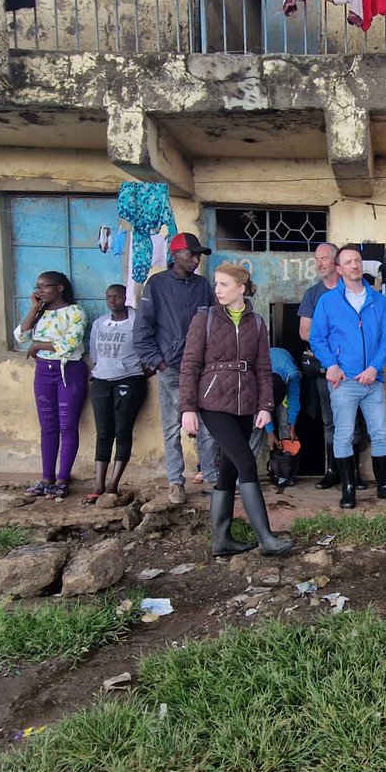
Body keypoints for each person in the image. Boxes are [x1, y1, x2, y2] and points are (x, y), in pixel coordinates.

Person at [179, 262, 293, 557]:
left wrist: (266, 406)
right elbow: (190, 365)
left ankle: (222, 540)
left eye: (224, 285)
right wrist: (188, 408)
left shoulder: (256, 323)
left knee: (229, 471)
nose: (217, 290)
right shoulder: (203, 319)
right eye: (216, 284)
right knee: (245, 463)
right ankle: (266, 537)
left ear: (241, 288)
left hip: (246, 402)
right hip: (212, 401)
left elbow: (264, 368)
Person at [309, 243, 386, 510]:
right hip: (344, 381)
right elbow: (317, 338)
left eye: (358, 261)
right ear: (338, 269)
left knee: (380, 433)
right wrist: (331, 364)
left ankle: (385, 486)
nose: (355, 265)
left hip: (373, 381)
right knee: (343, 435)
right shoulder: (328, 301)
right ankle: (348, 489)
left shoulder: (378, 301)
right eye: (349, 262)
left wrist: (375, 367)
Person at [133, 232, 218, 506]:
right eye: (190, 254)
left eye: (198, 256)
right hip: (170, 368)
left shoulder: (203, 286)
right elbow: (142, 330)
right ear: (175, 255)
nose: (195, 260)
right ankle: (176, 482)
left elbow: (215, 325)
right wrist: (159, 362)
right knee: (173, 427)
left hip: (202, 368)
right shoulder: (156, 285)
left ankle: (211, 476)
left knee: (207, 425)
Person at [14, 270, 88, 500]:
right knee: (48, 427)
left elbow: (71, 344)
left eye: (45, 286)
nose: (40, 291)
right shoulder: (41, 313)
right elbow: (20, 337)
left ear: (60, 287)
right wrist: (34, 309)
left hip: (69, 372)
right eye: (37, 287)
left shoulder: (75, 312)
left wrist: (38, 346)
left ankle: (62, 479)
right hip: (44, 372)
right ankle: (46, 478)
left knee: (67, 426)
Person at [86, 283, 148, 503]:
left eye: (117, 297)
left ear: (126, 298)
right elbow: (93, 351)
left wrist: (139, 371)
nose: (112, 301)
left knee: (122, 430)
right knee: (103, 432)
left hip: (129, 380)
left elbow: (147, 347)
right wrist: (99, 369)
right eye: (108, 297)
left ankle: (114, 484)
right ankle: (99, 484)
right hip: (101, 380)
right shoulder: (99, 323)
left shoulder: (136, 322)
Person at [298, 242, 344, 490]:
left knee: (353, 419)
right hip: (324, 367)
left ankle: (352, 472)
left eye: (324, 258)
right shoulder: (312, 295)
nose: (319, 264)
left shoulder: (352, 290)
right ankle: (331, 470)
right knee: (329, 420)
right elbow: (305, 332)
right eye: (316, 259)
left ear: (336, 262)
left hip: (352, 368)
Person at [249, 346, 301, 489]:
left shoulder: (292, 375)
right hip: (266, 384)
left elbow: (294, 399)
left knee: (286, 427)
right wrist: (270, 432)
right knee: (256, 426)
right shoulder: (256, 375)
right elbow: (262, 409)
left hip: (282, 371)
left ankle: (285, 471)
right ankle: (246, 474)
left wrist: (292, 425)